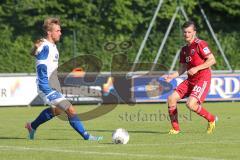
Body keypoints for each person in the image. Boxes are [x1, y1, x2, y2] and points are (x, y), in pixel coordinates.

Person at [25, 17, 103, 141]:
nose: (60, 33)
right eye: (58, 30)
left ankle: (32, 126)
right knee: (70, 109)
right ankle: (87, 136)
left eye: (60, 30)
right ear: (49, 32)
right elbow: (34, 52)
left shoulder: (54, 47)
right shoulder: (44, 45)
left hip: (53, 85)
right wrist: (35, 47)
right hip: (45, 85)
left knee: (57, 110)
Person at [163, 21, 217, 134]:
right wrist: (171, 76)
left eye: (189, 32)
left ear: (194, 32)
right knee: (171, 99)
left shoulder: (200, 44)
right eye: (184, 32)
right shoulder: (184, 50)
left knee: (190, 104)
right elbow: (182, 68)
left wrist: (197, 68)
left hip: (202, 79)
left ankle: (211, 119)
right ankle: (175, 129)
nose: (186, 34)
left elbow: (212, 60)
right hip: (190, 80)